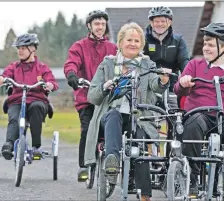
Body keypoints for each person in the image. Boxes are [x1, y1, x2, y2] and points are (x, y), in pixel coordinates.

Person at [85, 22, 171, 201]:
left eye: (137, 41)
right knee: (113, 116)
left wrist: (163, 80)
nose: (133, 44)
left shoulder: (147, 64)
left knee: (138, 143)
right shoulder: (108, 64)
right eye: (129, 40)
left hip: (139, 117)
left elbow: (156, 85)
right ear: (120, 42)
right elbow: (92, 96)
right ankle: (112, 162)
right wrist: (104, 87)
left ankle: (145, 195)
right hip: (110, 117)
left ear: (142, 45)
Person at [174, 23, 224, 200]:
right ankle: (192, 178)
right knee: (193, 122)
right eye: (205, 44)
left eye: (211, 44)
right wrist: (184, 83)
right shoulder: (195, 65)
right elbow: (178, 90)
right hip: (200, 114)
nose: (205, 48)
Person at [63, 10, 117, 182]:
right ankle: (83, 166)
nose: (100, 27)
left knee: (112, 128)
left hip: (107, 97)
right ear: (89, 26)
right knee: (87, 130)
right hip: (86, 97)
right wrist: (72, 75)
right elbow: (71, 63)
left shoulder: (112, 48)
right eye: (96, 24)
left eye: (102, 24)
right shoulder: (79, 46)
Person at [0, 33, 59, 160]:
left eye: (23, 48)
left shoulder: (42, 68)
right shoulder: (14, 67)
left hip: (37, 100)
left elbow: (52, 82)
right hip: (17, 100)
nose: (20, 51)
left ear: (33, 49)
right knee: (14, 117)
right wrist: (1, 78)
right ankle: (9, 144)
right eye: (18, 48)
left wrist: (49, 85)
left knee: (36, 108)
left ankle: (36, 147)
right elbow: (3, 75)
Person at [143, 6, 189, 109]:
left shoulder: (178, 41)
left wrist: (187, 78)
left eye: (163, 21)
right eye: (157, 21)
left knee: (173, 115)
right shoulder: (144, 40)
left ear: (169, 22)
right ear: (151, 23)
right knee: (149, 114)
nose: (160, 24)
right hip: (150, 85)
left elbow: (184, 62)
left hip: (172, 85)